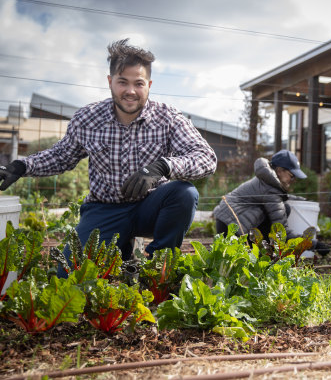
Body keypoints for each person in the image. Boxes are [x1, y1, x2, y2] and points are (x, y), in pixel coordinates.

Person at [0, 38, 217, 268]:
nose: (131, 91)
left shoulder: (168, 118)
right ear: (110, 81)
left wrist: (163, 166)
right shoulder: (88, 118)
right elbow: (61, 156)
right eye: (123, 82)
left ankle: (155, 268)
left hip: (150, 207)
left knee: (184, 193)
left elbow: (206, 157)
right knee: (68, 275)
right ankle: (123, 251)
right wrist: (21, 167)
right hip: (104, 209)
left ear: (149, 85)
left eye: (139, 83)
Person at [214, 150, 314, 242]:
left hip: (226, 224)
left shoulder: (266, 181)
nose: (293, 180)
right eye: (292, 176)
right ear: (279, 171)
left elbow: (279, 198)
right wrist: (311, 244)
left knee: (283, 208)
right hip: (231, 231)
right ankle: (262, 252)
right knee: (284, 210)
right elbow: (282, 233)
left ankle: (263, 251)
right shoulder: (270, 190)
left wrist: (301, 200)